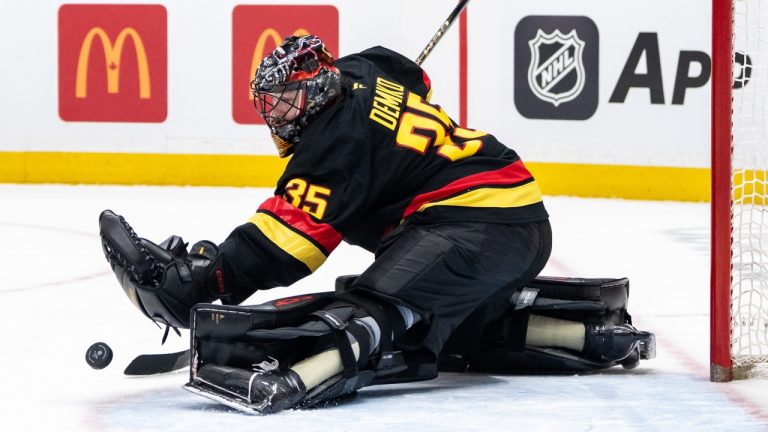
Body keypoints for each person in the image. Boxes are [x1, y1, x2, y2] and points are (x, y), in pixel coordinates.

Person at [99, 35, 653, 414]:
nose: (277, 115)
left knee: (371, 308)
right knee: (433, 321)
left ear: (316, 86)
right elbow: (410, 72)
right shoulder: (361, 70)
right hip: (513, 217)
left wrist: (205, 281)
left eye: (285, 101)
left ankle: (304, 370)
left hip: (474, 226)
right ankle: (587, 334)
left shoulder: (334, 142)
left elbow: (287, 245)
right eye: (271, 103)